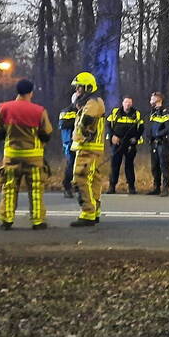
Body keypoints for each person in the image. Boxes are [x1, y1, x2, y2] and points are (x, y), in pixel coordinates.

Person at [0, 78, 53, 230]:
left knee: (9, 188)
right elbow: (46, 134)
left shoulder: (4, 108)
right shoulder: (39, 111)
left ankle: (7, 219)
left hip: (11, 157)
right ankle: (38, 221)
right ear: (31, 93)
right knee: (36, 190)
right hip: (34, 158)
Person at [69, 72, 107, 227]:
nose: (77, 90)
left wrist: (83, 132)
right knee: (93, 180)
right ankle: (94, 211)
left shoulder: (93, 102)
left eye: (79, 87)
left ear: (88, 87)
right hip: (90, 147)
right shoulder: (91, 102)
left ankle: (88, 213)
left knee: (81, 178)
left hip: (88, 148)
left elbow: (87, 120)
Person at [107, 96, 144, 194]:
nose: (128, 104)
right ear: (122, 103)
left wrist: (135, 138)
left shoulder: (136, 114)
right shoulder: (115, 112)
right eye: (126, 102)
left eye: (129, 102)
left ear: (132, 104)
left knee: (129, 165)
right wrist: (112, 136)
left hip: (130, 144)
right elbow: (108, 125)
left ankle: (131, 187)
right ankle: (112, 186)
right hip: (117, 143)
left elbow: (141, 128)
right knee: (115, 165)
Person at [146, 92, 169, 197]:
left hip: (162, 143)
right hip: (153, 144)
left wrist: (158, 134)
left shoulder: (165, 113)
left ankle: (165, 188)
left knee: (164, 165)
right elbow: (150, 127)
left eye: (152, 99)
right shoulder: (153, 113)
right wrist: (149, 136)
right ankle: (156, 187)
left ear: (158, 100)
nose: (150, 101)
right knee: (154, 166)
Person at [58, 94, 78, 198]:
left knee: (79, 166)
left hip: (80, 142)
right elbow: (63, 124)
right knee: (70, 165)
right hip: (69, 142)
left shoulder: (85, 111)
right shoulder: (66, 111)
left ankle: (77, 185)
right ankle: (67, 186)